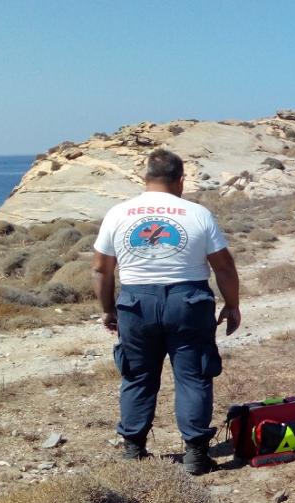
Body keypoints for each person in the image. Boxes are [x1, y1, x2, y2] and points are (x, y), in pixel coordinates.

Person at [92, 149, 241, 475]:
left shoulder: (118, 213)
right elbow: (224, 267)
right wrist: (232, 305)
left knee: (138, 376)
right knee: (193, 376)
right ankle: (196, 455)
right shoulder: (198, 214)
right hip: (189, 303)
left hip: (136, 303)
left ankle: (133, 451)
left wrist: (107, 309)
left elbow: (102, 269)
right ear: (181, 180)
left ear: (144, 178)